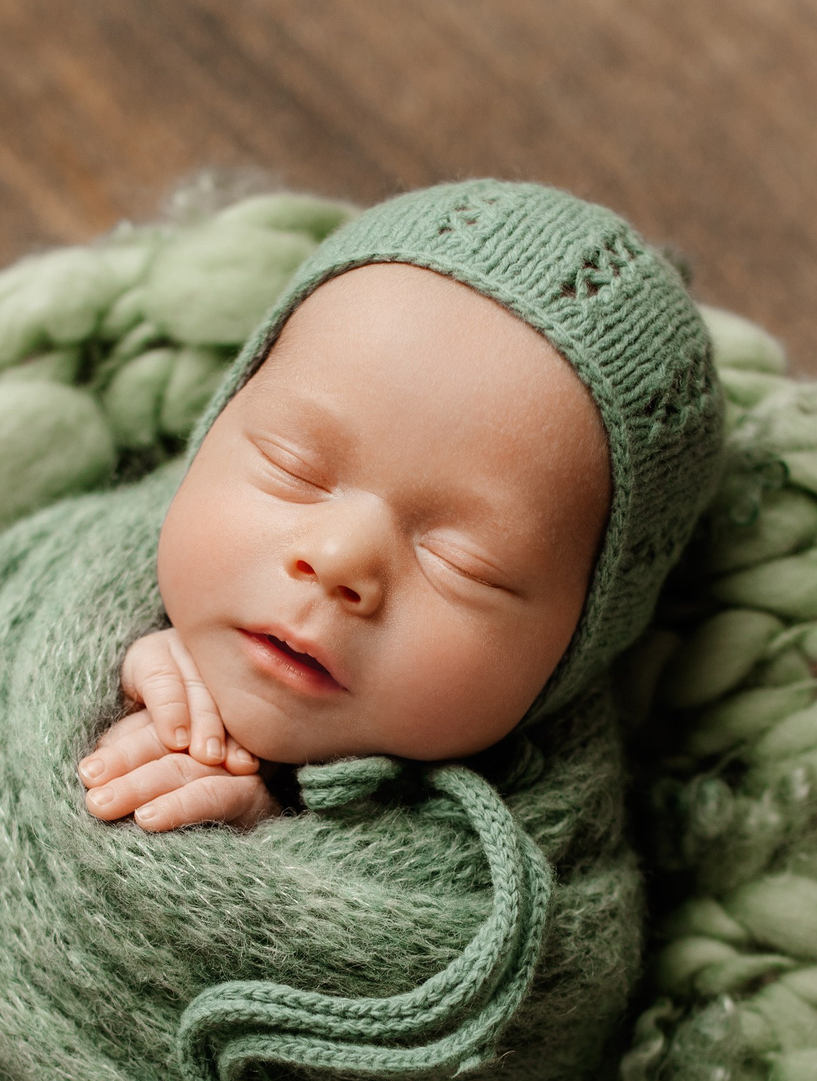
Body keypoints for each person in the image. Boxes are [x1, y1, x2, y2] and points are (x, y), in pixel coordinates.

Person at [78, 259, 617, 830]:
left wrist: (269, 836)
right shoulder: (88, 558)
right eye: (294, 468)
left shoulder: (551, 838)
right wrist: (104, 665)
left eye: (464, 563)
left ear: (577, 648)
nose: (338, 561)